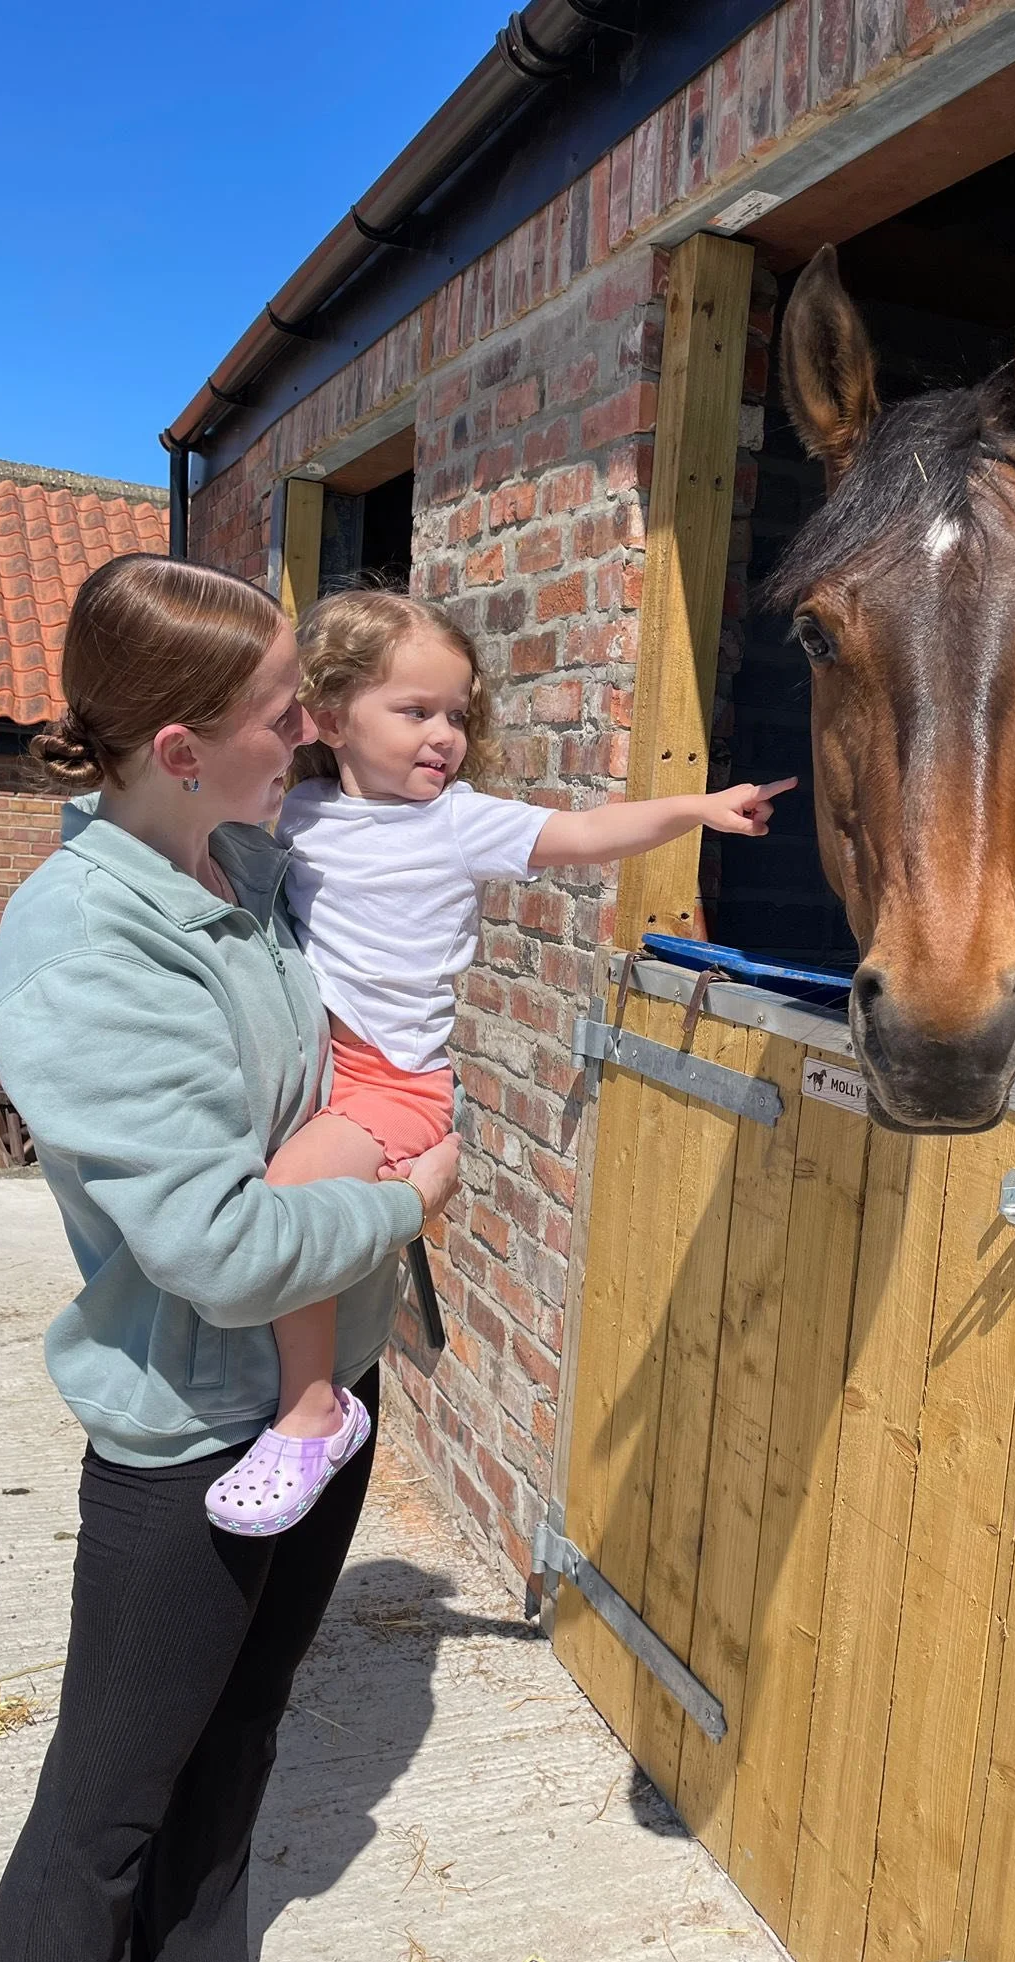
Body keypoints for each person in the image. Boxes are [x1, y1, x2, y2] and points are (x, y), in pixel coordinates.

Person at [0, 554, 460, 1962]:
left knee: (237, 1749)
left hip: (320, 1409)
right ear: (177, 750)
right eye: (279, 712)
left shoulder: (241, 870)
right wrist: (410, 1197)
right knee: (105, 1820)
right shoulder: (81, 943)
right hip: (191, 1437)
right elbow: (220, 1247)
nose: (308, 732)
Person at [203, 586, 793, 1538]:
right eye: (415, 711)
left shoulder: (458, 823)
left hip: (394, 1082)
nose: (444, 735)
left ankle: (313, 1415)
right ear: (330, 716)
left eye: (457, 714)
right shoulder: (299, 811)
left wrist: (699, 808)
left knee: (289, 1200)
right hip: (317, 1065)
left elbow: (584, 834)